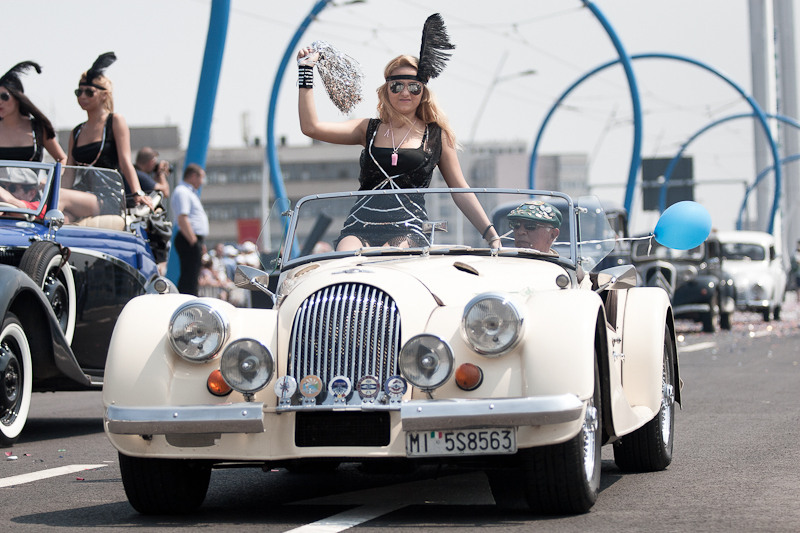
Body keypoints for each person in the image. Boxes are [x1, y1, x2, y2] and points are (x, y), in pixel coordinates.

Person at [297, 14, 500, 250]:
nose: (405, 93)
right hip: (360, 225)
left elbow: (460, 190)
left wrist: (492, 236)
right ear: (386, 90)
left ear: (423, 92)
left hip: (408, 228)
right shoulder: (367, 129)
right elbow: (311, 128)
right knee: (346, 256)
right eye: (397, 86)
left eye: (414, 87)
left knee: (388, 254)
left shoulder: (436, 135)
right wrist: (305, 72)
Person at [59, 52, 152, 222]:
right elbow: (69, 173)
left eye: (89, 92)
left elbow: (125, 162)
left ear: (104, 95)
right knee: (62, 217)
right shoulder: (77, 131)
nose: (82, 96)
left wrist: (137, 192)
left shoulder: (115, 121)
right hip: (82, 193)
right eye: (79, 92)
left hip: (108, 196)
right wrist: (57, 192)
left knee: (60, 198)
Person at [0, 61, 66, 164]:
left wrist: (54, 174)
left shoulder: (38, 128)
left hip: (33, 176)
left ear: (17, 98)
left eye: (4, 96)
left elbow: (62, 159)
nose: (0, 102)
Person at [171, 163, 209, 295]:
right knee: (189, 276)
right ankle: (187, 299)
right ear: (193, 176)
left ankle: (190, 297)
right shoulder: (182, 191)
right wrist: (193, 241)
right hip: (188, 237)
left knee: (193, 275)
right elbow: (182, 218)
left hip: (192, 237)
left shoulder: (189, 192)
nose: (202, 182)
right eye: (201, 177)